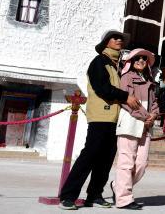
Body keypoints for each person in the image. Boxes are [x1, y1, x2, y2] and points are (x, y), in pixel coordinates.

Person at [59, 31, 141, 211]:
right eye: (115, 38)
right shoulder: (99, 62)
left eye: (121, 39)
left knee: (106, 158)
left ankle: (95, 194)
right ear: (106, 42)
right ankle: (68, 196)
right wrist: (125, 97)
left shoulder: (118, 66)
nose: (119, 40)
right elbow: (102, 88)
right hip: (100, 116)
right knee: (89, 154)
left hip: (116, 118)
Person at [114, 48, 159, 210]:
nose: (141, 61)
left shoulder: (150, 81)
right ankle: (123, 199)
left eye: (144, 59)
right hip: (130, 123)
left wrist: (154, 115)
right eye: (137, 58)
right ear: (131, 61)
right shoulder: (126, 77)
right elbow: (126, 102)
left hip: (145, 126)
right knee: (126, 162)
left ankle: (117, 186)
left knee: (141, 164)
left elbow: (154, 103)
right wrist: (146, 116)